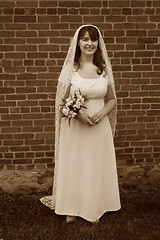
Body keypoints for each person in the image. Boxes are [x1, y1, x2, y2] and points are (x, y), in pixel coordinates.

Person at [40, 24, 121, 224]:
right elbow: (62, 102)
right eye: (84, 39)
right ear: (78, 42)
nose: (89, 43)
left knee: (95, 165)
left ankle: (95, 206)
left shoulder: (103, 70)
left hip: (98, 126)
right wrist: (78, 116)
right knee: (76, 164)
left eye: (93, 39)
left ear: (98, 43)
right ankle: (72, 207)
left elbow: (112, 100)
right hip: (76, 127)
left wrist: (101, 114)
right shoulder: (71, 70)